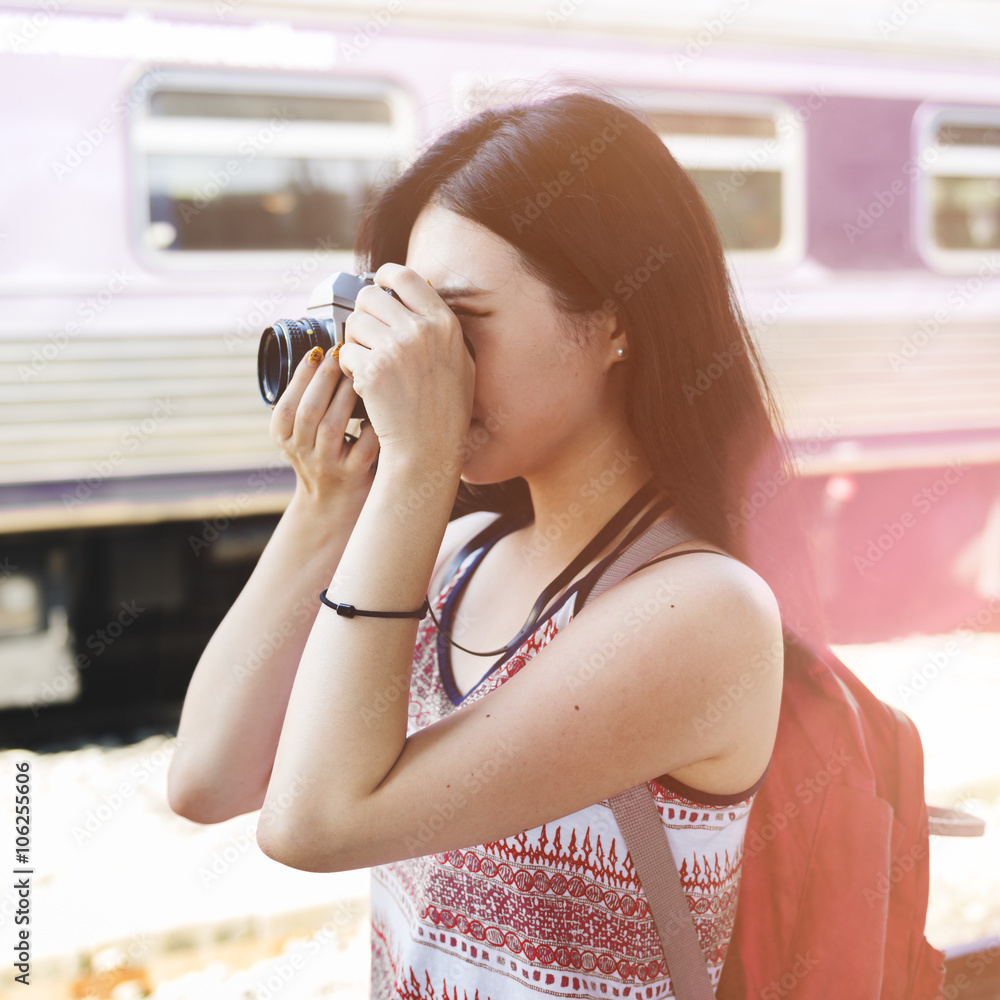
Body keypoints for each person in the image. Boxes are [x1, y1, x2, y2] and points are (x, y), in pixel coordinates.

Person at [167, 89, 824, 998]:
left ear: (618, 322)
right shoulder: (460, 554)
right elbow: (208, 778)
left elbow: (310, 826)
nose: (416, 363)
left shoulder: (700, 611)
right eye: (408, 322)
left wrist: (416, 463)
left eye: (459, 324)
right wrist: (326, 506)